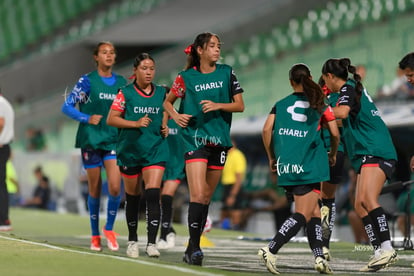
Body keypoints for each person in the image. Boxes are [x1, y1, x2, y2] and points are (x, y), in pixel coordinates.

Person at [163, 32, 245, 266]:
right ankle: (196, 247)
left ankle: (191, 246)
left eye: (218, 46)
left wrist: (218, 105)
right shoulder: (185, 77)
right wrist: (176, 116)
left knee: (207, 197)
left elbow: (240, 105)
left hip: (219, 141)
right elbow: (167, 102)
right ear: (200, 50)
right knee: (197, 195)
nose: (217, 50)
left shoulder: (227, 72)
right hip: (195, 140)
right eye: (212, 46)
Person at [258, 63, 339, 275]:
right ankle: (271, 249)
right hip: (309, 164)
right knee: (303, 213)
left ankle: (319, 257)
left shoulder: (280, 104)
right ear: (310, 78)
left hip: (286, 164)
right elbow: (334, 132)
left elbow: (266, 130)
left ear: (290, 82)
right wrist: (333, 152)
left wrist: (271, 157)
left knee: (313, 213)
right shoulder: (320, 102)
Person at [321, 57, 398, 272]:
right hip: (368, 151)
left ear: (329, 77)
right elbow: (338, 120)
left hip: (375, 149)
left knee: (367, 199)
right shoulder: (351, 90)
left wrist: (315, 114)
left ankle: (387, 247)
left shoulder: (348, 88)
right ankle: (378, 252)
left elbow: (342, 113)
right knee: (359, 205)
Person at [61, 41, 126, 252]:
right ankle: (95, 235)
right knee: (95, 189)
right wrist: (86, 117)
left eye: (112, 53)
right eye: (104, 52)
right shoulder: (87, 81)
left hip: (113, 140)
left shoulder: (122, 83)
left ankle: (108, 228)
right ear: (96, 57)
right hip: (91, 140)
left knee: (115, 186)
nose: (109, 56)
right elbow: (67, 105)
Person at [107, 53, 169, 258]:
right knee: (133, 197)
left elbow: (168, 108)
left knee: (153, 193)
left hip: (155, 149)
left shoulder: (161, 92)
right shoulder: (124, 93)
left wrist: (165, 124)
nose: (149, 72)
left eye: (152, 68)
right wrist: (134, 123)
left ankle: (151, 242)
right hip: (130, 150)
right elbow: (112, 119)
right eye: (144, 68)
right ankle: (132, 239)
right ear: (135, 71)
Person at [318, 77, 346, 260]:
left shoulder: (330, 99)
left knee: (319, 198)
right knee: (328, 199)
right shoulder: (338, 98)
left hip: (324, 150)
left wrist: (323, 117)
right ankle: (324, 244)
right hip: (337, 150)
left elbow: (342, 120)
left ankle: (321, 243)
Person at [156, 117, 186, 250]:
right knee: (157, 200)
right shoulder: (155, 117)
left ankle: (162, 236)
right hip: (158, 163)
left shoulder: (179, 119)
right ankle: (170, 230)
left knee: (167, 196)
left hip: (176, 165)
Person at [219, 138, 247, 230]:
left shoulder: (237, 156)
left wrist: (233, 195)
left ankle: (236, 227)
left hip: (234, 186)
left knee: (236, 210)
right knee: (225, 210)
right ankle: (225, 227)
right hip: (226, 185)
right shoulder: (227, 155)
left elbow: (239, 178)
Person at [0, 91, 14, 231]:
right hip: (4, 146)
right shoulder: (5, 103)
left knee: (0, 184)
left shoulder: (0, 103)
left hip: (1, 146)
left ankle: (3, 219)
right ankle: (3, 218)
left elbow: (1, 122)